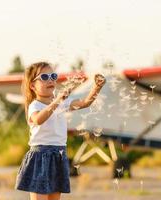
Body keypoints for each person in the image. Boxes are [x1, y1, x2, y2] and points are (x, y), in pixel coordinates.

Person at [15, 61, 106, 200]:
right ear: (32, 85)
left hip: (58, 155)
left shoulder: (61, 103)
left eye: (53, 76)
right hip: (41, 156)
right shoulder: (35, 105)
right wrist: (57, 101)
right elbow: (39, 119)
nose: (50, 80)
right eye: (44, 77)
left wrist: (97, 87)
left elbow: (85, 103)